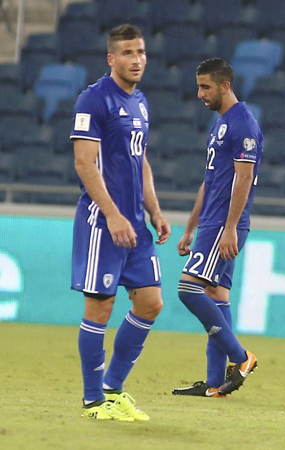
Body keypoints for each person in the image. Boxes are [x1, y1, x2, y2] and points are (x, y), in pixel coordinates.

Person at [71, 24, 170, 421]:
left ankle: (113, 389)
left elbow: (139, 159)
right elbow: (84, 163)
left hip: (136, 225)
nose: (137, 60)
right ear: (111, 58)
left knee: (151, 302)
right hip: (102, 222)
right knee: (100, 307)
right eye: (128, 53)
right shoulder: (93, 100)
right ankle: (93, 401)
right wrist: (112, 215)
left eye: (141, 52)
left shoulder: (140, 102)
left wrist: (155, 210)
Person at [172, 58, 262, 398]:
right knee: (216, 294)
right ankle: (214, 384)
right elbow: (209, 182)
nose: (200, 94)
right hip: (211, 222)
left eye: (205, 87)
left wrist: (230, 227)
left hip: (224, 225)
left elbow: (244, 178)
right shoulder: (221, 124)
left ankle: (241, 358)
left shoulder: (244, 125)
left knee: (188, 289)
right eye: (198, 86)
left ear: (225, 86)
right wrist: (190, 227)